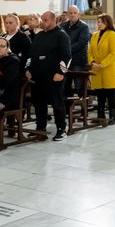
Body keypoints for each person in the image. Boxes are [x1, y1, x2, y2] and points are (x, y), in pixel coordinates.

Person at [26, 11, 71, 141]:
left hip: (54, 76)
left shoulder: (61, 35)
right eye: (42, 19)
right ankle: (41, 128)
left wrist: (61, 73)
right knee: (39, 103)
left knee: (57, 104)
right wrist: (28, 69)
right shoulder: (39, 35)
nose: (42, 22)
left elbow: (67, 56)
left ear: (54, 20)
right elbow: (31, 54)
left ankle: (61, 129)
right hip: (38, 76)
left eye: (45, 20)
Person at [89, 14, 115, 124]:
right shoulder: (94, 35)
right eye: (98, 22)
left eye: (102, 22)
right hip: (96, 68)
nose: (99, 24)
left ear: (108, 23)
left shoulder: (113, 34)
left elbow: (113, 53)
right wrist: (92, 62)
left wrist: (102, 64)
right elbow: (90, 51)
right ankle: (100, 115)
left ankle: (112, 116)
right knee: (100, 93)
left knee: (110, 93)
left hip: (109, 68)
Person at [61, 5, 91, 97]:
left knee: (79, 86)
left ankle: (83, 106)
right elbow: (60, 40)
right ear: (68, 15)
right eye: (70, 13)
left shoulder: (84, 27)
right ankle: (67, 108)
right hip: (66, 60)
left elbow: (81, 43)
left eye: (75, 13)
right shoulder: (63, 26)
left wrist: (66, 50)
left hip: (78, 60)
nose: (72, 15)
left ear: (79, 15)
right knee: (65, 85)